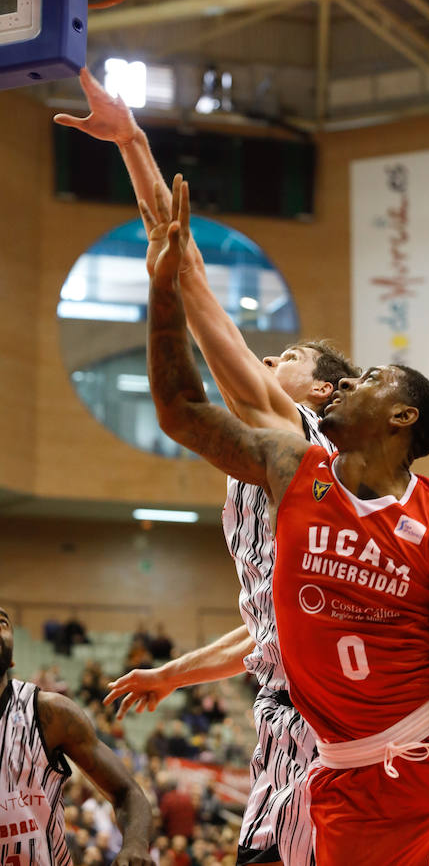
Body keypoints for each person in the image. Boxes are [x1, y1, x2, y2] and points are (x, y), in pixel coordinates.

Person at [142, 181, 429, 865]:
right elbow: (181, 409)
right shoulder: (292, 465)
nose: (353, 380)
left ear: (403, 416)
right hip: (349, 775)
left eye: (375, 378)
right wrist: (163, 292)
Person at [61, 73, 360, 866]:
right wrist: (177, 674)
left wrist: (135, 144)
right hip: (291, 714)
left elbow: (188, 276)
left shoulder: (294, 432)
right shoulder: (277, 454)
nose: (270, 357)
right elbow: (267, 629)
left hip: (319, 723)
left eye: (289, 357)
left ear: (323, 393)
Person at [0, 607, 153, 866]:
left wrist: (135, 844)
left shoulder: (49, 712)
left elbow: (128, 793)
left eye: (2, 622)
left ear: (12, 658)